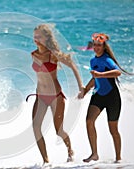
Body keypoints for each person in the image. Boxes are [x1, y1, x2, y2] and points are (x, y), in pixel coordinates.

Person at [26, 24, 84, 165]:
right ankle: (46, 161)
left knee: (59, 130)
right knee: (36, 127)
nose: (36, 39)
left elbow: (72, 65)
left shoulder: (53, 55)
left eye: (39, 36)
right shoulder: (33, 54)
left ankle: (70, 151)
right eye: (35, 36)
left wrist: (81, 86)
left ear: (46, 38)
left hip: (55, 97)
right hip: (40, 96)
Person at [80, 33, 132, 163]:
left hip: (112, 97)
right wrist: (86, 90)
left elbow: (117, 72)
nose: (97, 48)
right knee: (89, 121)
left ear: (103, 47)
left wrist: (100, 74)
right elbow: (94, 78)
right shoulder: (93, 61)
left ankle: (118, 158)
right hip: (98, 96)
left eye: (99, 45)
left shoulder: (107, 59)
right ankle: (94, 154)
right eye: (95, 45)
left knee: (113, 129)